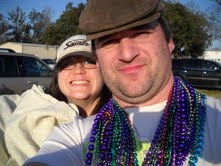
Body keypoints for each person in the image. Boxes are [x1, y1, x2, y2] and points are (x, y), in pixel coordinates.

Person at [24, 0, 221, 166]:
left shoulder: (216, 118)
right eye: (109, 41)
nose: (127, 54)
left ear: (169, 42)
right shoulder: (74, 136)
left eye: (141, 33)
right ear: (98, 59)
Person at [1, 35, 111, 166]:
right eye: (68, 64)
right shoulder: (28, 107)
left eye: (89, 61)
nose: (78, 70)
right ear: (57, 75)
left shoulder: (126, 116)